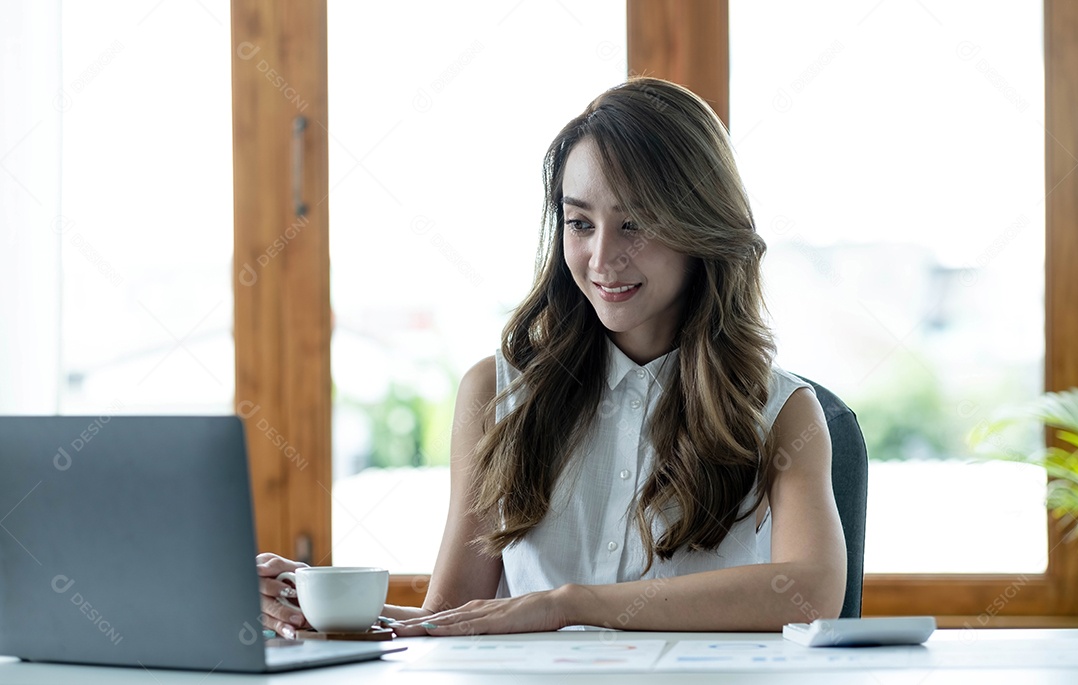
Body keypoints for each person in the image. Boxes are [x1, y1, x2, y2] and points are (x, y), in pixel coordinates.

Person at [257, 77, 846, 638]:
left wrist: (571, 605)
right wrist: (317, 602)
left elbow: (812, 589)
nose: (601, 257)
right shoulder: (494, 393)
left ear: (700, 227)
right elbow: (455, 616)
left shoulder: (782, 410)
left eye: (634, 222)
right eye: (580, 223)